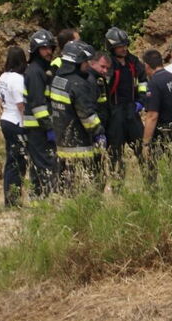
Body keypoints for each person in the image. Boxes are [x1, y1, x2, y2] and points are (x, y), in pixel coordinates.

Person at [50, 41, 106, 192]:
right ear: (76, 63)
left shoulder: (58, 80)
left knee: (65, 185)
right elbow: (86, 115)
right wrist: (99, 132)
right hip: (80, 145)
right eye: (85, 62)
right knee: (84, 187)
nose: (87, 65)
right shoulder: (78, 84)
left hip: (62, 143)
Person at [104, 27, 147, 180]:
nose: (123, 49)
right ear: (111, 47)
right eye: (119, 46)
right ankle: (117, 186)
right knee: (115, 154)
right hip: (115, 114)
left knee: (142, 149)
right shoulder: (107, 64)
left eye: (125, 45)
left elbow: (143, 81)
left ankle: (151, 183)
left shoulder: (133, 62)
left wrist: (141, 102)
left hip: (131, 111)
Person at [142, 49, 172, 176]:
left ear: (147, 65)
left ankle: (154, 194)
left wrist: (146, 143)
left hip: (163, 134)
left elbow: (152, 116)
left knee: (151, 169)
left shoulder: (154, 83)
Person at [23, 29, 59, 198]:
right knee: (45, 165)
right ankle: (43, 200)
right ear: (36, 50)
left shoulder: (41, 70)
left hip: (39, 127)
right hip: (37, 128)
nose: (49, 52)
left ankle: (38, 200)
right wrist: (48, 127)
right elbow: (38, 104)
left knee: (39, 166)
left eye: (50, 48)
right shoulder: (35, 72)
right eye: (44, 48)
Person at [0, 46, 27, 207]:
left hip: (5, 119)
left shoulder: (4, 76)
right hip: (16, 122)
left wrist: (5, 106)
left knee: (11, 161)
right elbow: (21, 104)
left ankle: (10, 199)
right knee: (17, 162)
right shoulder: (18, 79)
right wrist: (27, 120)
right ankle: (13, 200)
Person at [87, 51, 111, 139]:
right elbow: (89, 108)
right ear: (92, 63)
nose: (105, 71)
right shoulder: (90, 80)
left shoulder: (99, 78)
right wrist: (97, 131)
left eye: (107, 68)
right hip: (94, 128)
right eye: (102, 67)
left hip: (100, 124)